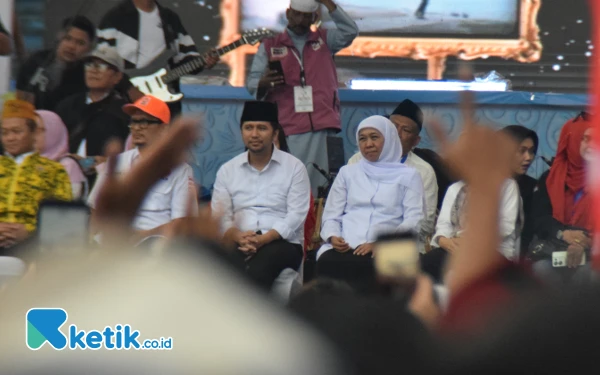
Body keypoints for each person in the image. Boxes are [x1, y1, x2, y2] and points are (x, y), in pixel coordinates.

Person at [247, 0, 359, 194]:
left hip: (324, 124)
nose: (300, 20)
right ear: (288, 13)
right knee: (294, 187)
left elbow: (350, 31)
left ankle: (320, 224)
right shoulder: (269, 45)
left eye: (306, 16)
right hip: (289, 126)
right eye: (297, 15)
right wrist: (265, 82)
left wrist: (329, 4)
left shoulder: (325, 40)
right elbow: (252, 84)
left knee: (326, 187)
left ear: (314, 18)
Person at [317, 115, 425, 293]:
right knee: (327, 262)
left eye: (374, 137)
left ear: (389, 139)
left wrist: (381, 243)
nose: (368, 144)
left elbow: (413, 220)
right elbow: (331, 214)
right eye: (362, 138)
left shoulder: (409, 176)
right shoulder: (348, 173)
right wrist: (333, 236)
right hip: (346, 246)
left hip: (388, 246)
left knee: (373, 272)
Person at [211, 101, 310, 291]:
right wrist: (239, 237)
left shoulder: (294, 167)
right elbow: (220, 215)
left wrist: (263, 239)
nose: (254, 134)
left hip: (282, 242)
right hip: (239, 238)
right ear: (241, 132)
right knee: (219, 267)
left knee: (258, 269)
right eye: (248, 128)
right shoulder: (228, 170)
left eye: (262, 128)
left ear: (274, 133)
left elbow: (296, 215)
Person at [88, 95, 194, 242]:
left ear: (164, 128)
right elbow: (95, 211)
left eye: (144, 122)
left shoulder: (180, 170)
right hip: (112, 240)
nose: (137, 128)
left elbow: (181, 222)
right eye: (134, 121)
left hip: (154, 242)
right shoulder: (117, 162)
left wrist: (142, 235)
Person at [97, 0, 219, 116]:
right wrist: (128, 88)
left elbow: (184, 59)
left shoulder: (169, 18)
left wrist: (203, 62)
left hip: (166, 103)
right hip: (124, 101)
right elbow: (104, 62)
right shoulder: (114, 18)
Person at [348, 100, 438, 252]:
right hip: (357, 238)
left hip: (402, 244)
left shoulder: (423, 171)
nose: (397, 133)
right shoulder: (356, 161)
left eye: (405, 130)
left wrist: (383, 241)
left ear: (415, 141)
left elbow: (425, 223)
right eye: (393, 126)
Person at [0, 100, 72, 253]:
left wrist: (30, 232)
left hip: (34, 250)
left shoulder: (53, 171)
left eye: (17, 131)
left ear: (34, 133)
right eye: (4, 133)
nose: (10, 138)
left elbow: (64, 220)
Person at [530, 115, 593, 285]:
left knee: (591, 275)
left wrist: (584, 242)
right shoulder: (550, 178)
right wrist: (564, 234)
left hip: (593, 253)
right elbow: (539, 219)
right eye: (585, 139)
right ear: (571, 140)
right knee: (541, 272)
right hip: (554, 248)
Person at [423, 178, 522, 283]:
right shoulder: (455, 188)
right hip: (456, 248)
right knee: (424, 265)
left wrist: (470, 240)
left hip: (492, 251)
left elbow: (505, 227)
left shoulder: (507, 185)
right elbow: (443, 225)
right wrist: (443, 241)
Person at [55, 45, 131, 176]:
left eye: (101, 66)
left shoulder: (124, 113)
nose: (93, 71)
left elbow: (128, 159)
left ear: (118, 76)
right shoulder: (67, 105)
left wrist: (86, 163)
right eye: (89, 65)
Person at [16, 16, 95, 111]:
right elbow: (21, 101)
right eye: (68, 38)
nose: (72, 46)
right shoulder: (37, 61)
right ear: (59, 37)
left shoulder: (88, 75)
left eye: (80, 43)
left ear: (89, 48)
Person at [273, 122, 317, 250]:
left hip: (283, 239)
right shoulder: (236, 171)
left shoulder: (295, 171)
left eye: (273, 145)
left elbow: (300, 216)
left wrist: (268, 236)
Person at [501, 125, 539, 253]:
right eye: (522, 151)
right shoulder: (484, 185)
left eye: (532, 151)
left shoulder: (535, 188)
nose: (528, 157)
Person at [34, 110, 87, 200]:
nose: (33, 136)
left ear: (54, 132)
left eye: (39, 131)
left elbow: (65, 205)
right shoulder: (23, 161)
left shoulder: (67, 166)